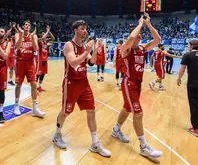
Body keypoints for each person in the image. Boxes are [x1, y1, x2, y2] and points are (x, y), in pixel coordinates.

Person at [53, 20, 111, 157]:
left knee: (91, 110)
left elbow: (92, 62)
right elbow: (73, 62)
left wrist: (95, 50)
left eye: (85, 29)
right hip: (71, 83)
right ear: (75, 30)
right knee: (66, 112)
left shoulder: (85, 46)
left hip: (84, 83)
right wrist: (88, 51)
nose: (85, 31)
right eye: (82, 29)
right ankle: (57, 134)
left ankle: (95, 143)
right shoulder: (69, 45)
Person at [112, 13, 163, 159]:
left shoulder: (142, 48)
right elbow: (130, 39)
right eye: (137, 35)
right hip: (128, 83)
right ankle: (143, 146)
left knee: (127, 108)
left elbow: (158, 39)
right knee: (138, 113)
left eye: (140, 35)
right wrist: (139, 24)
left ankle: (116, 130)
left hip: (138, 84)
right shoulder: (125, 49)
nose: (138, 37)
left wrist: (148, 24)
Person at [13, 21, 45, 117]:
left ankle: (35, 108)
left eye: (28, 25)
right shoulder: (17, 34)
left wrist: (32, 38)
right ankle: (16, 105)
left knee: (34, 84)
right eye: (25, 25)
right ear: (22, 26)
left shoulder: (33, 36)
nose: (27, 26)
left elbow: (35, 49)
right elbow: (17, 46)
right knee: (18, 84)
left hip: (30, 63)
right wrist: (22, 35)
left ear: (30, 27)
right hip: (20, 62)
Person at [177, 39, 198, 137]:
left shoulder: (188, 55)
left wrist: (179, 78)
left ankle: (196, 129)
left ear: (191, 45)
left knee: (194, 105)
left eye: (188, 45)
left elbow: (182, 68)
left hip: (193, 84)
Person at [36, 25, 55, 92]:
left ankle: (39, 86)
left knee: (43, 73)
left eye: (45, 34)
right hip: (39, 59)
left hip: (45, 59)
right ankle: (34, 87)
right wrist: (47, 31)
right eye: (43, 34)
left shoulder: (45, 41)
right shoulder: (38, 40)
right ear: (41, 35)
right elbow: (43, 37)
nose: (45, 35)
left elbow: (53, 38)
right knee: (38, 74)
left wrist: (49, 32)